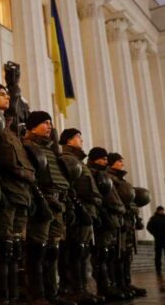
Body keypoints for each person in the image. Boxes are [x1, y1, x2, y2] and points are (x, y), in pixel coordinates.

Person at [0, 83, 43, 304]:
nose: (7, 97)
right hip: (6, 193)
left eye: (7, 93)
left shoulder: (11, 130)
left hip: (20, 194)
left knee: (16, 249)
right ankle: (0, 298)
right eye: (1, 93)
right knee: (3, 248)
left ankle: (14, 296)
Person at [22, 112, 74, 305]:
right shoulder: (27, 146)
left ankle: (52, 293)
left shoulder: (51, 150)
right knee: (37, 250)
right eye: (44, 123)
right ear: (32, 126)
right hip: (42, 202)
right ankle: (37, 295)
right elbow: (30, 177)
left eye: (50, 123)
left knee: (53, 250)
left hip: (58, 203)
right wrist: (41, 200)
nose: (49, 126)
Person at [58, 129, 103, 305]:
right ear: (68, 141)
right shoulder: (67, 159)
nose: (82, 140)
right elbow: (69, 187)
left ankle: (83, 288)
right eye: (78, 137)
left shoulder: (78, 161)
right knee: (74, 251)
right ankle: (75, 290)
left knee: (83, 251)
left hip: (87, 210)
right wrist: (77, 208)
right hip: (78, 212)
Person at [87, 147, 129, 302]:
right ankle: (105, 286)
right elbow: (99, 197)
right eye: (103, 159)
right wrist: (104, 215)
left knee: (113, 253)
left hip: (114, 216)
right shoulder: (95, 174)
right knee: (103, 254)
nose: (105, 162)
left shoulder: (105, 175)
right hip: (104, 217)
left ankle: (116, 284)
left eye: (106, 159)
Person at [107, 153, 147, 298]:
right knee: (117, 254)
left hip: (128, 221)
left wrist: (137, 218)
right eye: (118, 161)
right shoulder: (109, 178)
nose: (122, 163)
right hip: (118, 220)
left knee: (126, 254)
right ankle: (116, 284)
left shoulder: (122, 180)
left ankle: (125, 282)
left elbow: (132, 201)